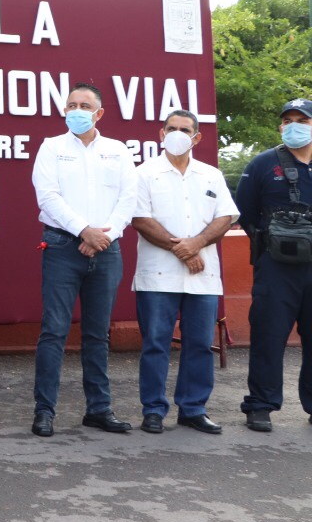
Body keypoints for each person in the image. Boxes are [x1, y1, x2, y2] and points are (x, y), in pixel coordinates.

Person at [30, 82, 137, 437]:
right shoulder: (51, 148)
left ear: (99, 113)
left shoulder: (117, 151)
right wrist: (83, 231)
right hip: (62, 248)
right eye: (71, 104)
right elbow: (48, 197)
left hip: (107, 250)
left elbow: (128, 199)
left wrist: (103, 236)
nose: (77, 110)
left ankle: (99, 408)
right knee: (54, 331)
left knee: (97, 334)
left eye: (84, 105)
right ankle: (44, 411)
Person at [130, 110, 237, 434]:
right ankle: (153, 410)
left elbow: (226, 217)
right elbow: (141, 220)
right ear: (161, 134)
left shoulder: (210, 175)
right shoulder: (143, 173)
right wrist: (185, 250)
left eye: (185, 129)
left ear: (196, 137)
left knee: (200, 344)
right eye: (172, 128)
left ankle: (193, 408)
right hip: (157, 275)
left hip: (202, 276)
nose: (178, 133)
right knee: (156, 343)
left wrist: (197, 243)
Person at [235, 98, 312, 432]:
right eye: (288, 120)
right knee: (268, 334)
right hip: (276, 266)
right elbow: (245, 210)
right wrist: (269, 241)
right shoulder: (265, 163)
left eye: (302, 120)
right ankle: (260, 405)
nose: (293, 125)